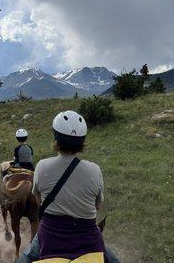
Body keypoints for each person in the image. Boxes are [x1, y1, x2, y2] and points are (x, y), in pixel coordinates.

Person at [16, 111, 120, 263]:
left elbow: (38, 202)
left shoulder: (42, 166)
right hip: (88, 236)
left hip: (50, 235)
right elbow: (97, 206)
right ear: (82, 142)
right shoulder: (95, 169)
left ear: (56, 139)